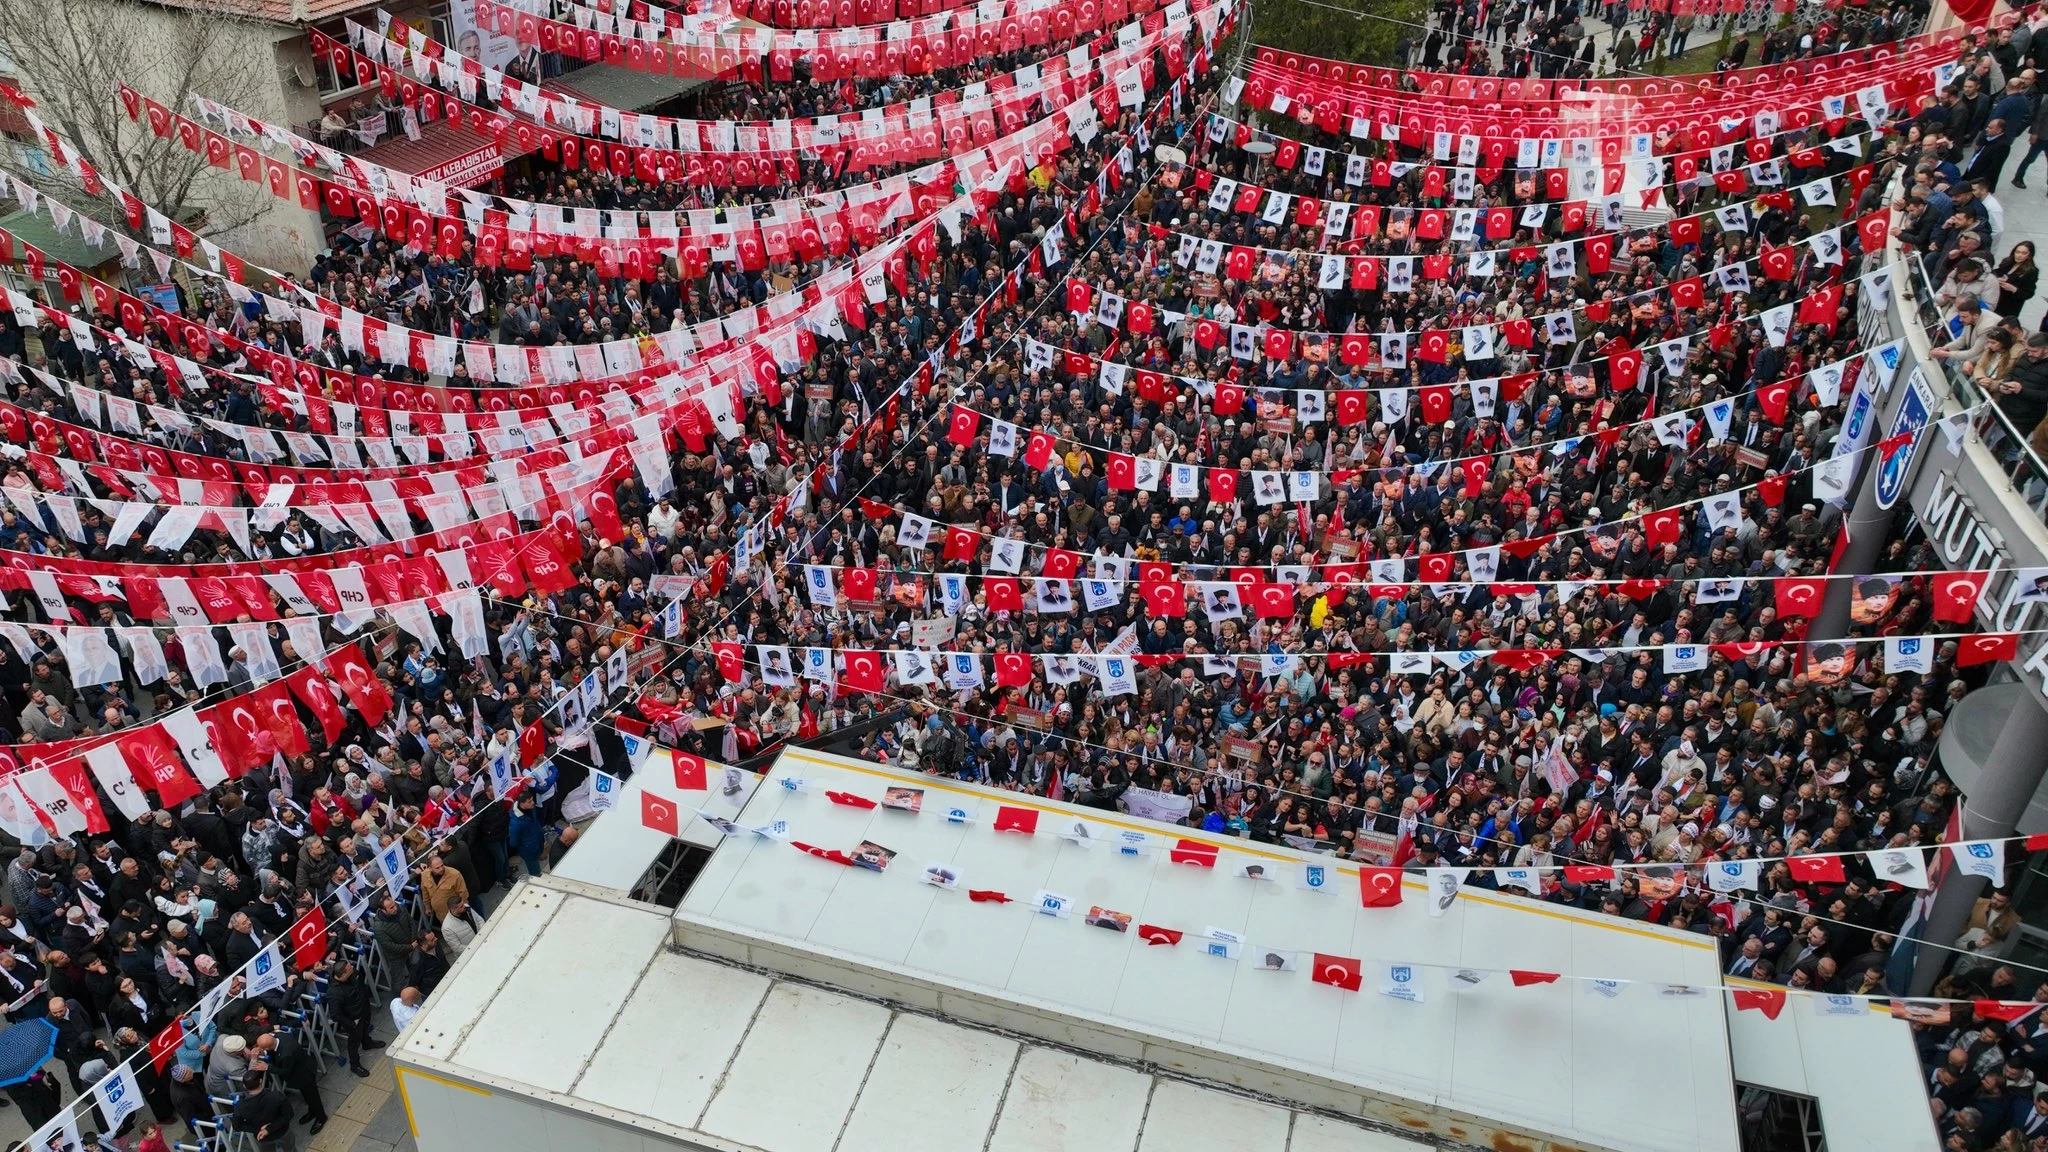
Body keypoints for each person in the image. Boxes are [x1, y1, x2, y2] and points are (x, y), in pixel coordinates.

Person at [231, 1071, 295, 1152]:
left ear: (244, 1086)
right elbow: (289, 1114)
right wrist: (268, 1129)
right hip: (282, 1132)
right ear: (261, 1081)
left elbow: (236, 1126)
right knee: (291, 1149)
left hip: (262, 1137)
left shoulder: (241, 1107)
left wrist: (258, 1129)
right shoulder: (276, 1096)